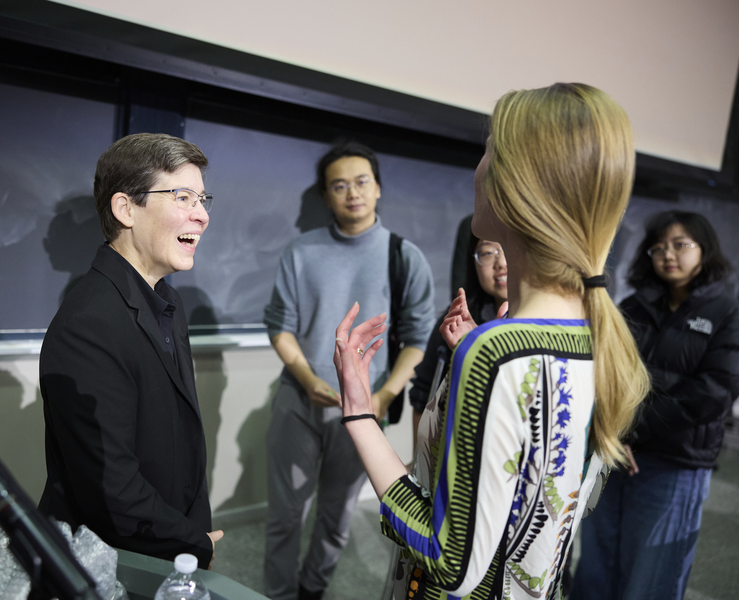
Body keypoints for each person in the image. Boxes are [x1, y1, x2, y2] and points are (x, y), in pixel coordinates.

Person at [332, 83, 649, 599]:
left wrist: (358, 412)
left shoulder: (499, 352)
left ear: (518, 185)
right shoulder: (599, 338)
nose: (478, 169)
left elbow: (449, 561)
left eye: (489, 152)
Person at [38, 133, 222, 567]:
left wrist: (192, 533)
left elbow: (181, 442)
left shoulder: (169, 303)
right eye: (183, 197)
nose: (201, 216)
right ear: (126, 209)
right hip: (112, 562)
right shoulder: (88, 325)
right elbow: (111, 491)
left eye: (202, 199)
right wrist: (196, 544)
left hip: (169, 544)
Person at [262, 141, 436, 600]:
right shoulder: (301, 252)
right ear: (326, 196)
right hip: (299, 400)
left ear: (377, 189)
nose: (352, 193)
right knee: (283, 515)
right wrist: (305, 377)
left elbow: (419, 338)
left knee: (337, 514)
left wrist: (381, 397)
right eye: (339, 185)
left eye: (361, 182)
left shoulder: (404, 257)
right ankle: (277, 595)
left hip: (364, 412)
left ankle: (312, 590)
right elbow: (279, 326)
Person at [572, 211, 739, 600]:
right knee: (596, 569)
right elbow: (608, 374)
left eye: (681, 245)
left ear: (705, 251)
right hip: (616, 457)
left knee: (650, 580)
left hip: (674, 462)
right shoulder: (633, 305)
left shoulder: (727, 311)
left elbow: (713, 393)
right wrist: (618, 434)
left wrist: (633, 427)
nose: (668, 254)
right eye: (659, 247)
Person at [409, 232, 508, 441]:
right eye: (488, 252)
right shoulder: (455, 320)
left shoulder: (548, 321)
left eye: (510, 248)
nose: (501, 263)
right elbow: (423, 397)